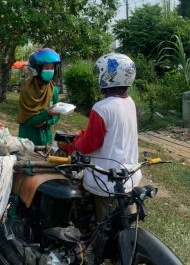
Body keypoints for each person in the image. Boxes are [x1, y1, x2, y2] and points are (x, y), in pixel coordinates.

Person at [59, 53, 141, 221]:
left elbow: (88, 145)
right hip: (129, 176)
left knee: (105, 228)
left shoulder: (101, 108)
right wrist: (83, 134)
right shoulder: (129, 102)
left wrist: (67, 146)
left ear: (108, 77)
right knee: (126, 222)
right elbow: (114, 132)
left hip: (106, 179)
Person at [17, 48, 61, 145]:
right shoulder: (27, 90)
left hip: (46, 139)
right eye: (46, 67)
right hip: (27, 139)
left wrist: (48, 121)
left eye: (52, 67)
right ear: (37, 69)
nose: (50, 71)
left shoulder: (53, 90)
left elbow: (57, 116)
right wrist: (47, 114)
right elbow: (27, 120)